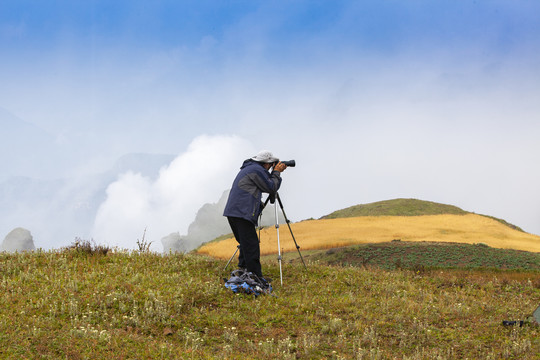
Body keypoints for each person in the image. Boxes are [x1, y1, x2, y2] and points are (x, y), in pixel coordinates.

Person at [223, 150, 287, 282]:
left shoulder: (250, 168)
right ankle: (256, 277)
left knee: (246, 243)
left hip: (234, 211)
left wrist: (273, 172)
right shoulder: (257, 170)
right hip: (242, 212)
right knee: (251, 245)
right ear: (265, 163)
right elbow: (271, 187)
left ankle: (243, 271)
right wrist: (277, 173)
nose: (270, 167)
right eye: (270, 165)